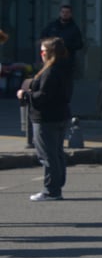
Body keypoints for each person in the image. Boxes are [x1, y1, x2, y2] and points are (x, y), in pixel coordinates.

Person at [19, 37, 73, 201]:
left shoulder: (50, 71)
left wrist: (25, 95)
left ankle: (51, 190)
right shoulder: (65, 68)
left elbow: (44, 96)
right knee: (57, 153)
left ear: (49, 53)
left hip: (46, 118)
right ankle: (57, 186)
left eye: (43, 51)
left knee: (47, 155)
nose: (41, 54)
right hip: (61, 115)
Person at [40, 3, 84, 71]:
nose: (65, 14)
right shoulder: (52, 26)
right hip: (52, 60)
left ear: (70, 14)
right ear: (60, 13)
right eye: (63, 12)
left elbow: (79, 44)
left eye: (67, 12)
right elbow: (43, 37)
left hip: (67, 62)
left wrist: (65, 45)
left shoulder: (74, 28)